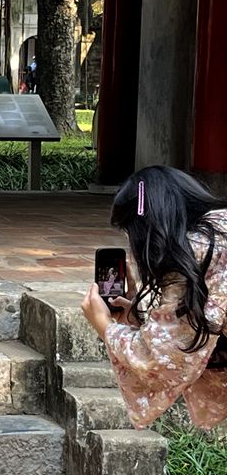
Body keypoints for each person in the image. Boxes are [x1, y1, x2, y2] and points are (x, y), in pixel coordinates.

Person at [82, 166, 227, 430]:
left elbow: (162, 359)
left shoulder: (196, 252)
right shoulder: (219, 229)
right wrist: (141, 319)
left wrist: (105, 327)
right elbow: (202, 324)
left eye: (131, 233)